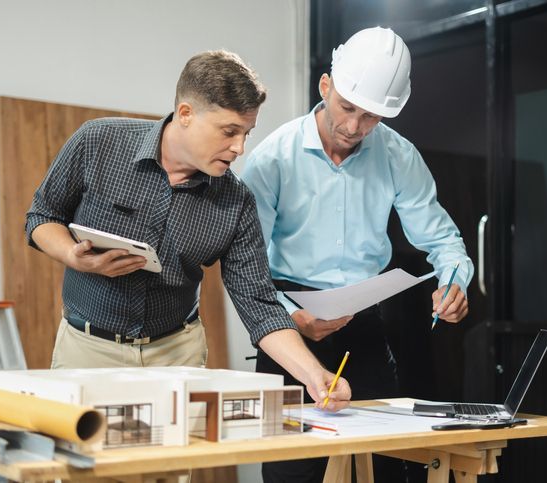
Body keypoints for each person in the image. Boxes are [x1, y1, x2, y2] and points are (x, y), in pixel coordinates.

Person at [25, 50, 350, 411]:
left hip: (176, 354)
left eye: (246, 133)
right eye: (229, 132)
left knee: (168, 468)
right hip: (87, 349)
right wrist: (74, 257)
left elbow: (259, 305)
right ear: (185, 114)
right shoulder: (99, 142)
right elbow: (42, 215)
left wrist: (314, 374)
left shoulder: (236, 201)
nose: (240, 148)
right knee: (82, 465)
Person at [242, 27, 474, 482]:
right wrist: (290, 316)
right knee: (294, 473)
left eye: (371, 117)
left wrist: (454, 282)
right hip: (287, 328)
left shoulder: (399, 157)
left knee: (383, 467)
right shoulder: (272, 161)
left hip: (363, 326)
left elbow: (444, 242)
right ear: (325, 86)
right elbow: (245, 267)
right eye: (347, 108)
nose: (354, 127)